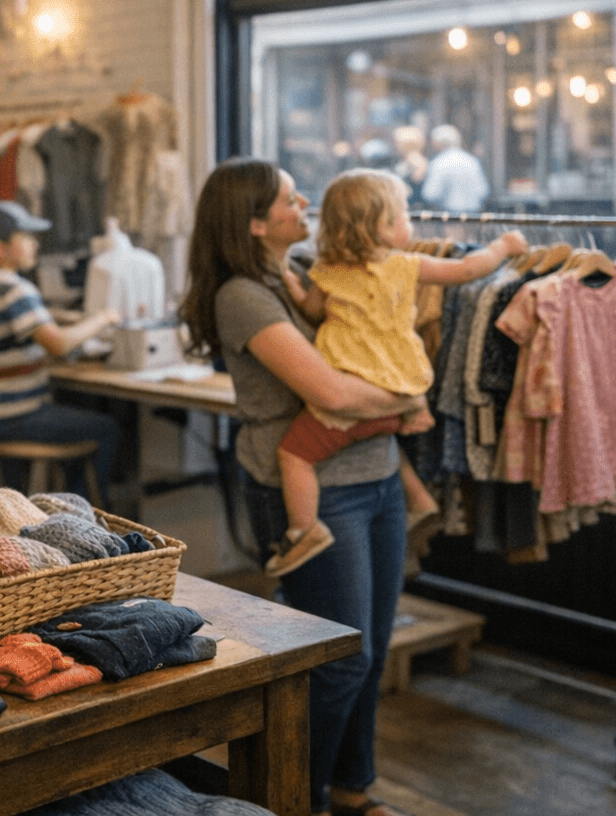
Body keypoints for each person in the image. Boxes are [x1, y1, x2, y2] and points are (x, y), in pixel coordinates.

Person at [180, 157, 426, 816]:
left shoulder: (306, 275)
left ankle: (353, 787)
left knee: (370, 651)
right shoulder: (244, 295)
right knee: (340, 657)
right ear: (257, 222)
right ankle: (295, 800)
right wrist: (407, 400)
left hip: (373, 475)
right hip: (312, 485)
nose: (305, 204)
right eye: (291, 199)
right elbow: (330, 392)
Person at [267, 169, 528, 576]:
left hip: (353, 396)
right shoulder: (405, 265)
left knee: (294, 455)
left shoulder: (328, 270)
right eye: (404, 214)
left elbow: (312, 311)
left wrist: (294, 288)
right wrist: (502, 246)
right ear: (383, 228)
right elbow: (466, 271)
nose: (411, 222)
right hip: (396, 393)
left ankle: (304, 528)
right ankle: (416, 497)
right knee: (375, 429)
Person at [0, 200, 123, 506]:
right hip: (16, 414)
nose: (35, 244)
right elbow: (58, 344)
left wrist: (62, 320)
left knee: (73, 418)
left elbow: (3, 333)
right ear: (0, 249)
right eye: (26, 238)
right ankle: (90, 510)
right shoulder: (16, 290)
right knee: (104, 428)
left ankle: (59, 507)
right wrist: (103, 318)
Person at [419, 123, 490, 213]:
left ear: (438, 143)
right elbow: (483, 191)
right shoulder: (472, 161)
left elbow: (430, 194)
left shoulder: (438, 163)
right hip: (473, 218)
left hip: (449, 218)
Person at [390, 125, 428, 208]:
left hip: (414, 210)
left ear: (406, 144)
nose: (394, 145)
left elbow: (415, 187)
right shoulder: (406, 161)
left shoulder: (416, 162)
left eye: (396, 142)